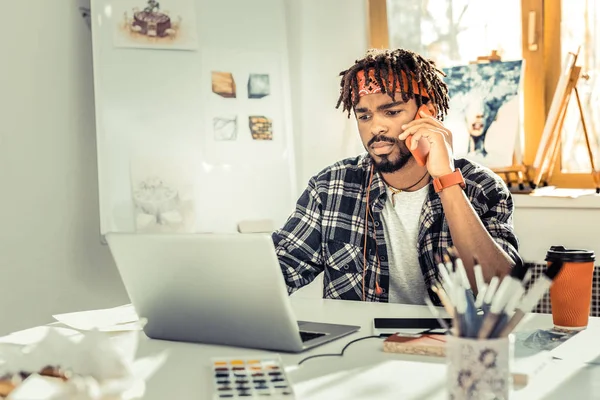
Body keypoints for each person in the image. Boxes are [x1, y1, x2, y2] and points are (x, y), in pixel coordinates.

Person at [272, 48, 521, 304]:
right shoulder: (330, 187)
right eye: (364, 116)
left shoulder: (481, 186)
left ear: (427, 114)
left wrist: (447, 180)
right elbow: (279, 268)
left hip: (450, 342)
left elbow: (503, 294)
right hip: (355, 342)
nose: (375, 127)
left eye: (391, 112)